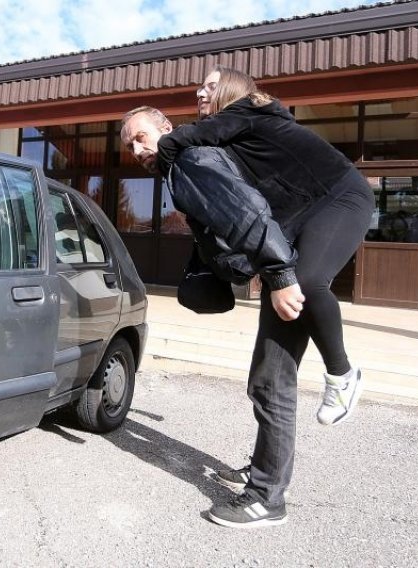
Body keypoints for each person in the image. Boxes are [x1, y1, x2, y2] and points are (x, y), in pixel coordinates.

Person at [119, 65, 373, 529]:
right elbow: (232, 212)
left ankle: (340, 377)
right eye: (130, 145)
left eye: (141, 137)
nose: (137, 150)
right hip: (296, 234)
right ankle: (265, 475)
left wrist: (278, 274)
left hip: (338, 200)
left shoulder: (205, 145)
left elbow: (241, 209)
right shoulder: (218, 144)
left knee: (306, 296)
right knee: (269, 378)